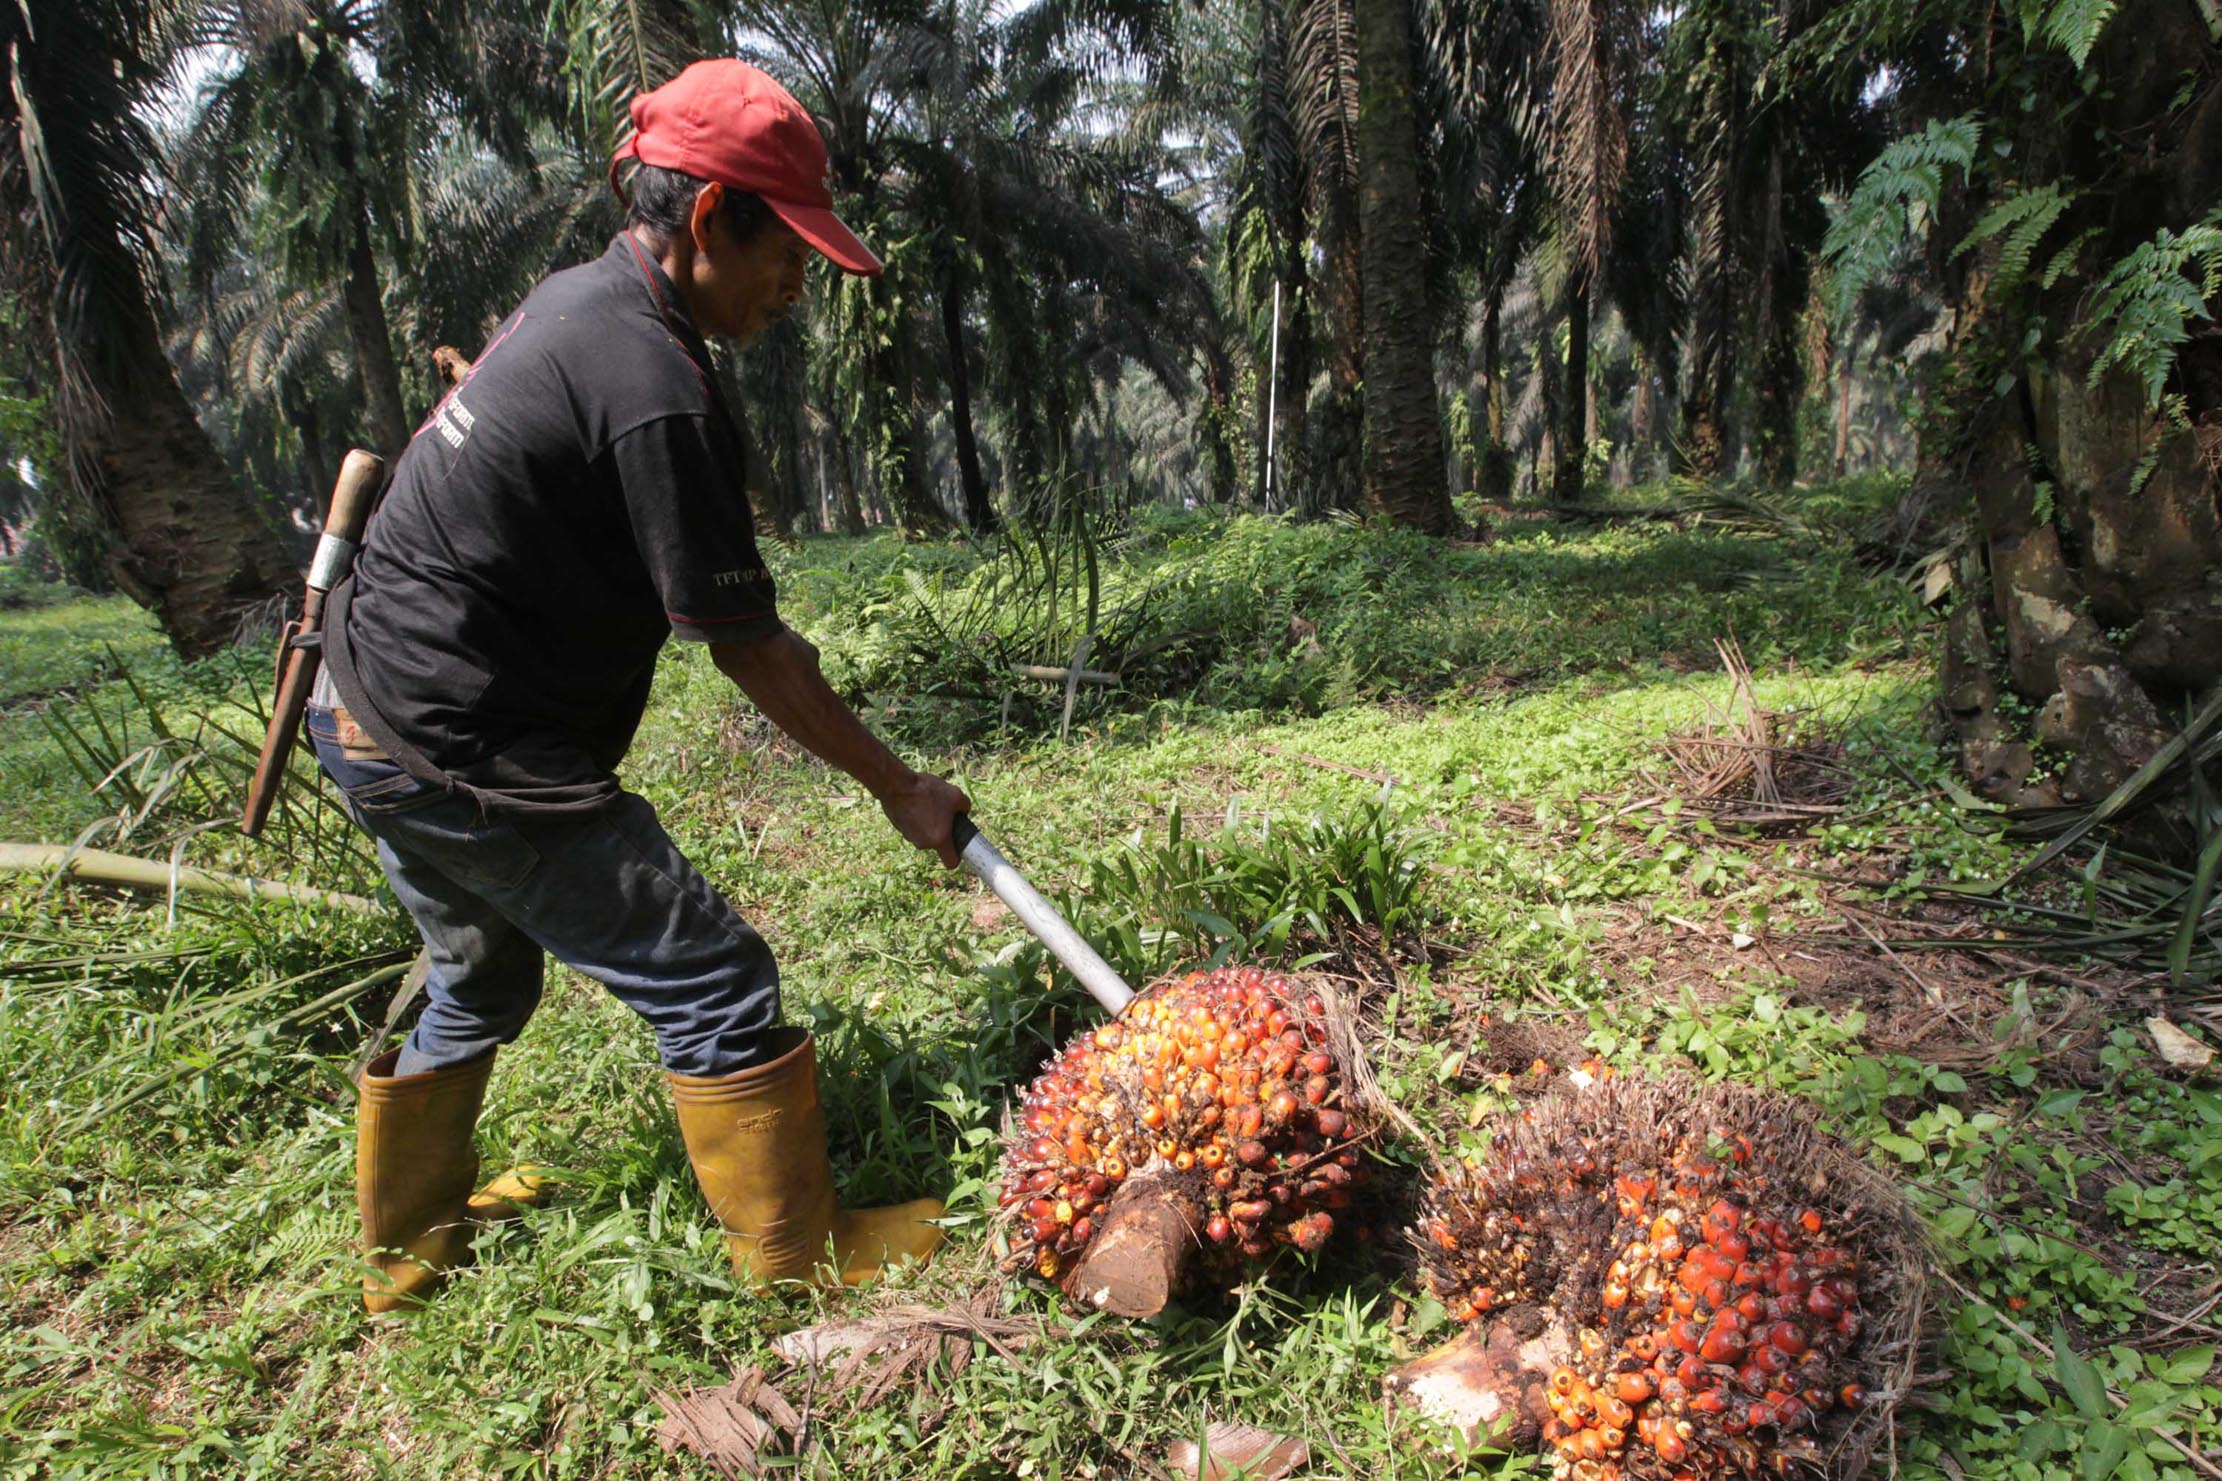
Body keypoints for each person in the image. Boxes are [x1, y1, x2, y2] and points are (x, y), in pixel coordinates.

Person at [306, 59, 967, 1314]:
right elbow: (751, 647)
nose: (795, 287)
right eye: (788, 253)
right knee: (710, 970)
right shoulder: (651, 384)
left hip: (364, 704)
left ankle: (408, 1246)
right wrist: (901, 788)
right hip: (459, 739)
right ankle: (795, 1253)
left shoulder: (586, 301)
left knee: (479, 976)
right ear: (711, 215)